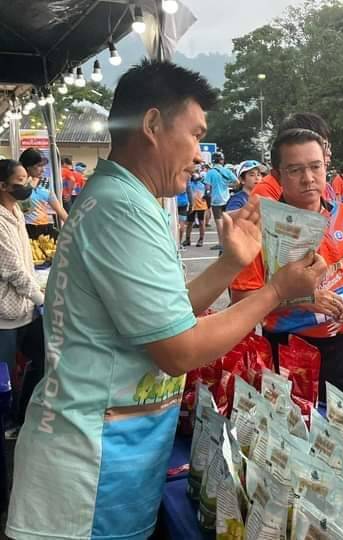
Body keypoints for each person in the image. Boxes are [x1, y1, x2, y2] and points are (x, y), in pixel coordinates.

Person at [6, 59, 325, 540]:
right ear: (153, 124)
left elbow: (168, 312)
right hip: (89, 480)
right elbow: (177, 349)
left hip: (110, 467)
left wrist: (230, 264)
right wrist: (276, 290)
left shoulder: (130, 198)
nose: (199, 156)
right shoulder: (120, 209)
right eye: (195, 135)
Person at [230, 129, 343, 405]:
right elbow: (241, 299)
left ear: (325, 167)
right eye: (295, 170)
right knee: (296, 428)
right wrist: (305, 300)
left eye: (315, 167)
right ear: (277, 175)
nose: (308, 178)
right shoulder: (260, 227)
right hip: (288, 349)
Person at [0, 160, 45, 437]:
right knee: (5, 379)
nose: (27, 185)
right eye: (20, 181)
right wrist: (40, 297)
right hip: (4, 316)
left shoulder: (15, 211)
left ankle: (24, 415)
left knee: (44, 356)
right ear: (3, 186)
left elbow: (25, 262)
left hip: (26, 309)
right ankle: (8, 425)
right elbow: (13, 270)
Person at [253, 112, 334, 201]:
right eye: (295, 170)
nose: (329, 152)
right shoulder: (264, 193)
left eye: (327, 145)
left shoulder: (323, 188)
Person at [19, 148, 68, 239]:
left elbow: (59, 209)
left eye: (44, 166)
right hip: (25, 229)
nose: (43, 170)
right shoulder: (18, 184)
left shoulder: (45, 183)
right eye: (39, 166)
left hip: (45, 228)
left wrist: (72, 226)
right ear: (28, 166)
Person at [206, 152, 238, 250]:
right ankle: (231, 241)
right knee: (228, 221)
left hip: (216, 200)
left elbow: (207, 187)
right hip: (227, 199)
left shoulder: (210, 172)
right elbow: (237, 182)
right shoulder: (226, 171)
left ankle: (221, 243)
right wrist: (228, 186)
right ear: (222, 160)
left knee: (219, 222)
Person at [184, 171, 208, 247]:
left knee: (201, 222)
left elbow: (207, 193)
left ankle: (201, 239)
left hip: (201, 206)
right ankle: (187, 239)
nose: (196, 178)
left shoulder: (203, 185)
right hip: (192, 206)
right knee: (190, 222)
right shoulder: (189, 184)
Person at [176, 183, 190, 250]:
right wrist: (191, 204)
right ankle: (179, 243)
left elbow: (189, 191)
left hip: (180, 204)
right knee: (180, 225)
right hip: (181, 203)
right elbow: (189, 191)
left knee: (179, 226)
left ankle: (178, 243)